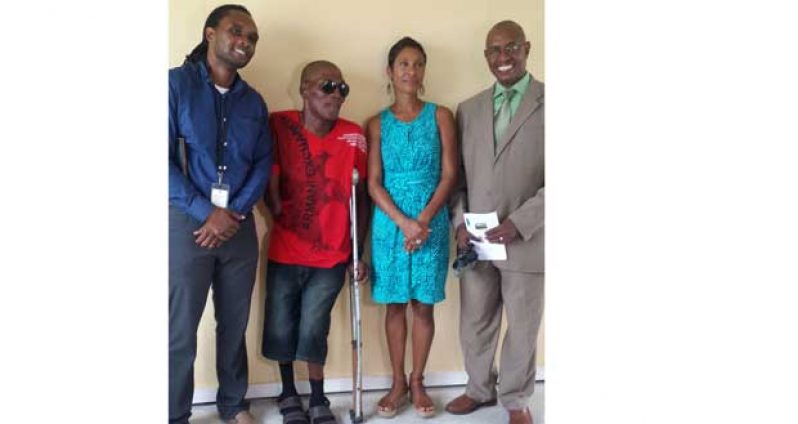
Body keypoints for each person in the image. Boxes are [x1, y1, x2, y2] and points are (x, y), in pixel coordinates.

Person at [169, 4, 271, 424]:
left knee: (234, 324)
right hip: (187, 225)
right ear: (210, 34)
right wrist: (204, 212)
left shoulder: (254, 102)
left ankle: (233, 404)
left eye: (251, 37)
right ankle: (173, 413)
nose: (244, 42)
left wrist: (235, 211)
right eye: (236, 32)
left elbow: (263, 163)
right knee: (180, 329)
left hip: (239, 229)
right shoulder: (175, 86)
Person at [444, 20, 544, 424]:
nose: (503, 58)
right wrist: (459, 224)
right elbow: (458, 178)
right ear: (486, 57)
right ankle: (478, 389)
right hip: (477, 242)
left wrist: (520, 222)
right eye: (494, 51)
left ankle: (516, 399)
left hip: (528, 237)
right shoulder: (468, 109)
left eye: (511, 48)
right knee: (476, 320)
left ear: (527, 48)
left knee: (521, 327)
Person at [261, 60, 369, 424]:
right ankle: (288, 392)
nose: (336, 94)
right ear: (305, 88)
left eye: (342, 88)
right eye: (327, 86)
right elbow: (267, 169)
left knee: (313, 325)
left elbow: (364, 195)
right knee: (281, 323)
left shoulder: (353, 135)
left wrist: (359, 251)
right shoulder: (280, 124)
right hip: (285, 248)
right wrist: (275, 204)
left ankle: (319, 397)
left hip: (332, 254)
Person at [366, 36, 458, 419]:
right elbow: (372, 182)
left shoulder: (441, 115)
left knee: (422, 306)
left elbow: (450, 173)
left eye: (418, 64)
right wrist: (404, 223)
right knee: (394, 306)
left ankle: (419, 381)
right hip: (390, 225)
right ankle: (397, 382)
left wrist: (422, 222)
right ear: (390, 71)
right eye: (403, 63)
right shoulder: (375, 123)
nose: (411, 71)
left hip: (430, 223)